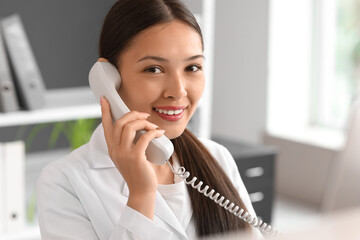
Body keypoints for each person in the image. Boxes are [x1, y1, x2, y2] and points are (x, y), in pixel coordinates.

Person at [36, 0, 263, 239]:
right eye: (154, 69)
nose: (177, 91)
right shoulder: (63, 182)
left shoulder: (218, 158)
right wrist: (141, 196)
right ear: (108, 78)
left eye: (192, 67)